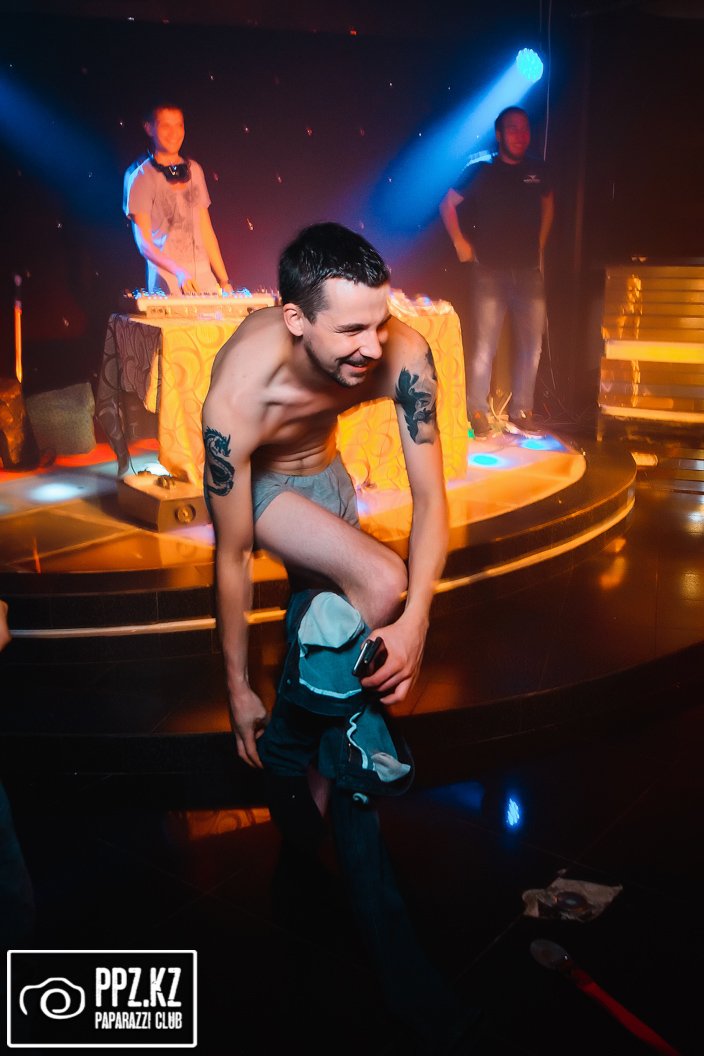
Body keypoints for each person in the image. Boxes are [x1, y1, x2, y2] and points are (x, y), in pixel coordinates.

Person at [203, 222, 478, 1052]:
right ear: (295, 320)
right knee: (379, 586)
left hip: (328, 482)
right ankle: (324, 761)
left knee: (341, 650)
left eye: (380, 322)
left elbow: (431, 501)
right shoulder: (237, 399)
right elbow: (232, 554)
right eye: (351, 329)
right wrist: (236, 687)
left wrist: (419, 625)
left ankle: (302, 782)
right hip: (262, 492)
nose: (373, 345)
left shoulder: (402, 352)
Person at [439, 105, 554, 438]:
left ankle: (522, 412)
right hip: (489, 272)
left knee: (532, 347)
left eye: (525, 128)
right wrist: (459, 241)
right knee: (485, 347)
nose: (520, 134)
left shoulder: (537, 169)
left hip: (528, 273)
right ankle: (476, 411)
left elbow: (548, 202)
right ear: (500, 134)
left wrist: (540, 242)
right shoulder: (481, 167)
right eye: (512, 128)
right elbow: (447, 204)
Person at [123, 103, 233, 295]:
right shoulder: (140, 177)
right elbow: (144, 244)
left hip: (204, 279)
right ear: (149, 129)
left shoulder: (194, 171)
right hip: (168, 281)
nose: (174, 133)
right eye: (166, 126)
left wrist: (224, 280)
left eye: (179, 125)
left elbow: (206, 230)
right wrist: (179, 272)